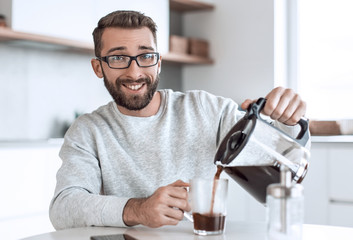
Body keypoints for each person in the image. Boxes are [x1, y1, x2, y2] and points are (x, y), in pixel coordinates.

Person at [49, 10, 307, 230]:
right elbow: (63, 208)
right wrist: (138, 209)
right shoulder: (88, 130)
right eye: (118, 58)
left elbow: (285, 169)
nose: (134, 71)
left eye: (146, 56)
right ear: (98, 67)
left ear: (158, 63)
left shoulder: (206, 109)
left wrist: (289, 122)